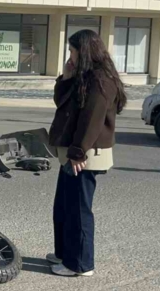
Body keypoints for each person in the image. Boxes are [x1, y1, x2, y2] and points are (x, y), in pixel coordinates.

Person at [47, 29, 127, 278]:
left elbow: (92, 120)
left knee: (78, 210)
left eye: (72, 50)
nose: (69, 55)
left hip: (84, 155)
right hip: (74, 152)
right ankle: (64, 253)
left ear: (84, 51)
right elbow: (61, 102)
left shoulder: (101, 80)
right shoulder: (84, 76)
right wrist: (66, 77)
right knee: (63, 206)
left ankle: (80, 264)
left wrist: (78, 152)